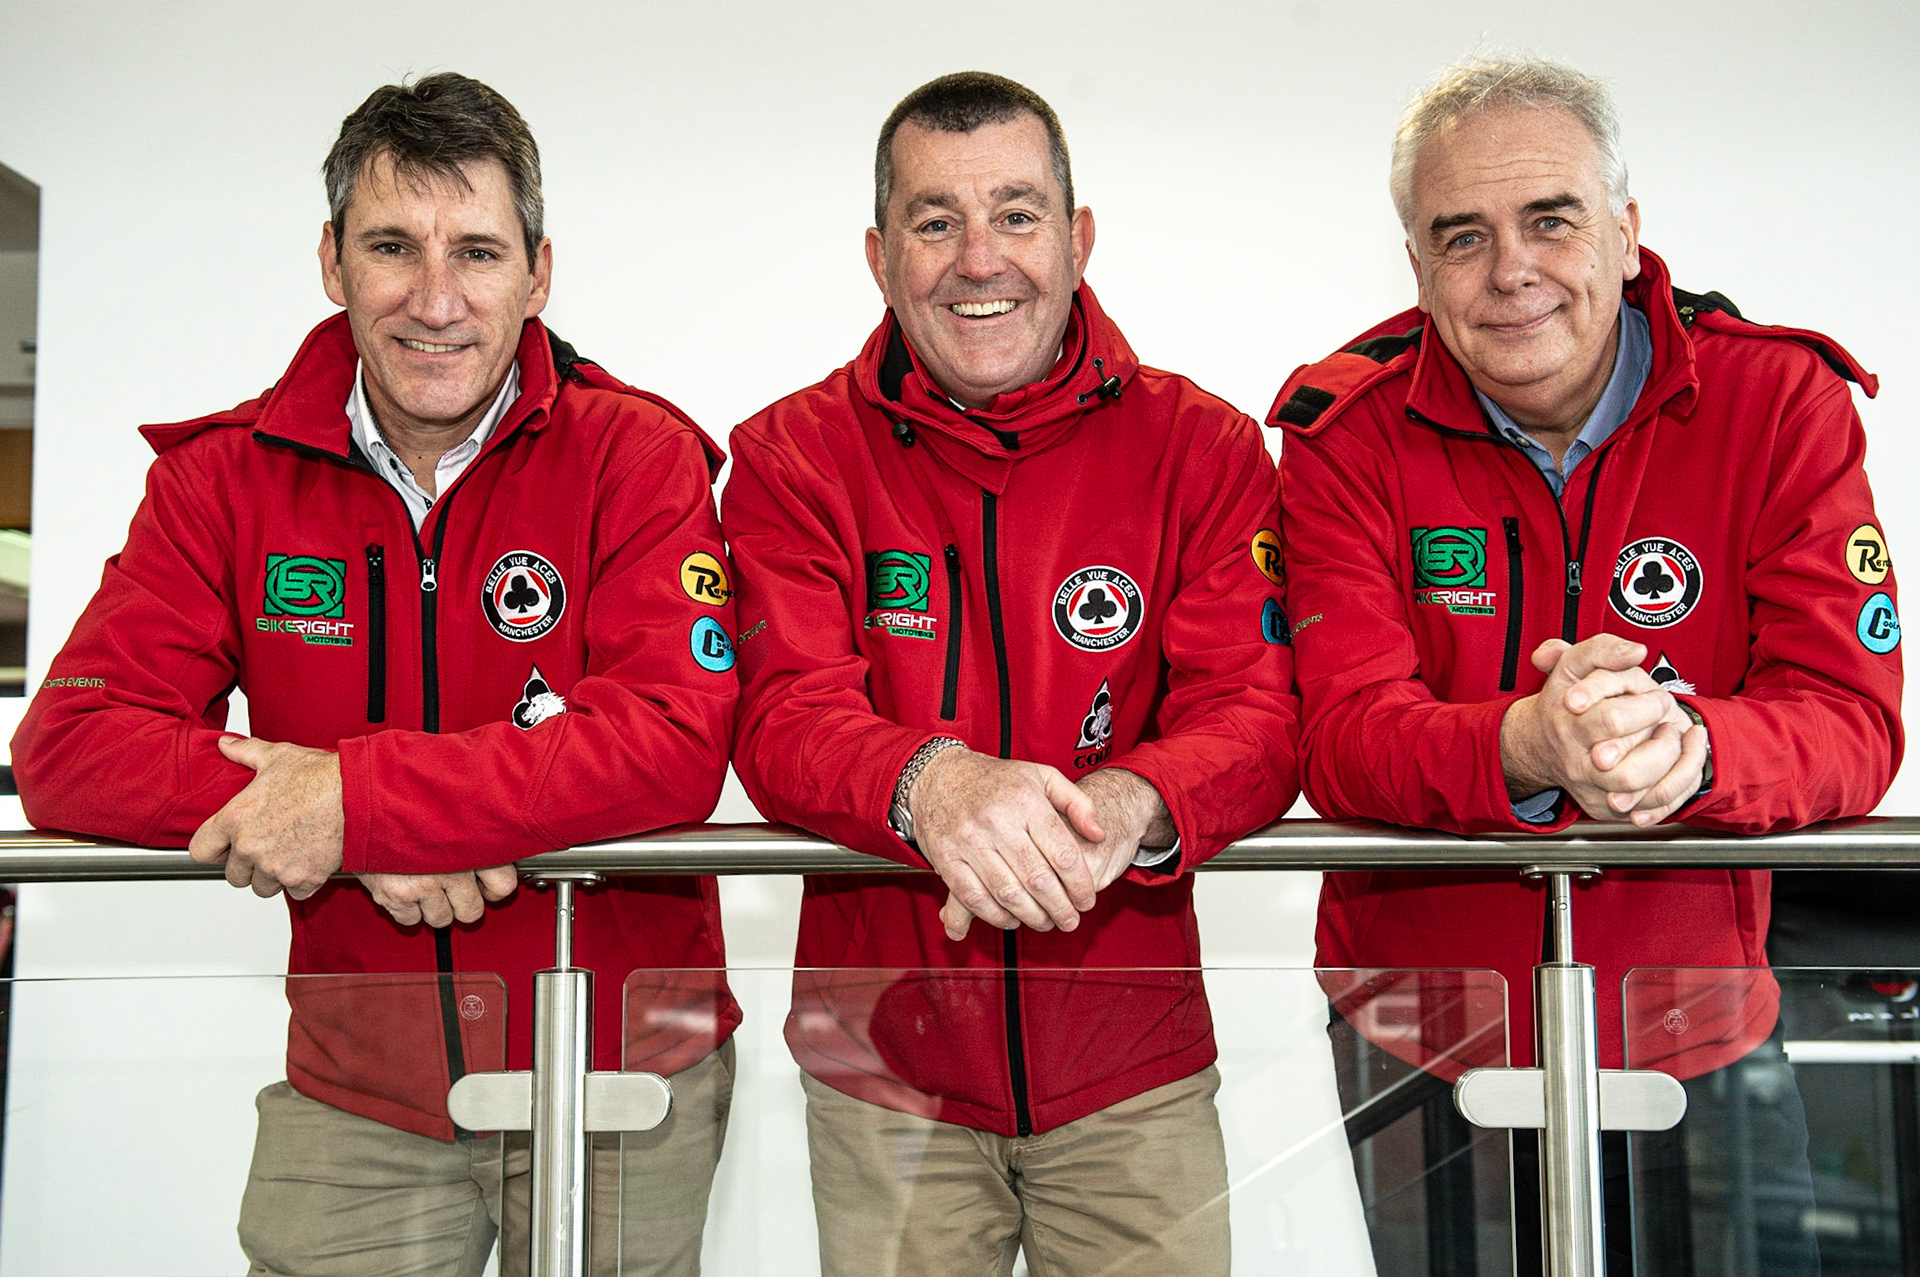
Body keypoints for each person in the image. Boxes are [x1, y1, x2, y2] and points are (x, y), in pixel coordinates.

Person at [9, 73, 739, 1277]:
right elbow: (73, 747)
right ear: (333, 261)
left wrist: (351, 800)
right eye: (393, 246)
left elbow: (669, 742)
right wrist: (363, 821)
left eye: (479, 252)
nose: (436, 298)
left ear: (540, 273)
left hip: (624, 1071)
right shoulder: (223, 479)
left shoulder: (640, 456)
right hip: (355, 1091)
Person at [1273, 54, 1903, 1274]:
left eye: (1550, 220)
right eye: (1462, 235)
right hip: (1419, 1033)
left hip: (1705, 1024)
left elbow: (1852, 720)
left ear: (1625, 231)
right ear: (1417, 266)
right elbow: (1338, 733)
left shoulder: (1781, 403)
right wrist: (1527, 744)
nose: (1511, 268)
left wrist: (1690, 748)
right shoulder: (1343, 436)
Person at [723, 71, 1297, 1277]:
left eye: (1018, 214)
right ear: (880, 255)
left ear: (1079, 239)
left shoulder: (1201, 447)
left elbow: (1253, 711)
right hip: (885, 1077)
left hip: (1134, 1072)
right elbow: (784, 718)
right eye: (936, 222)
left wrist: (1133, 807)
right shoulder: (791, 456)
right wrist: (935, 782)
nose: (980, 258)